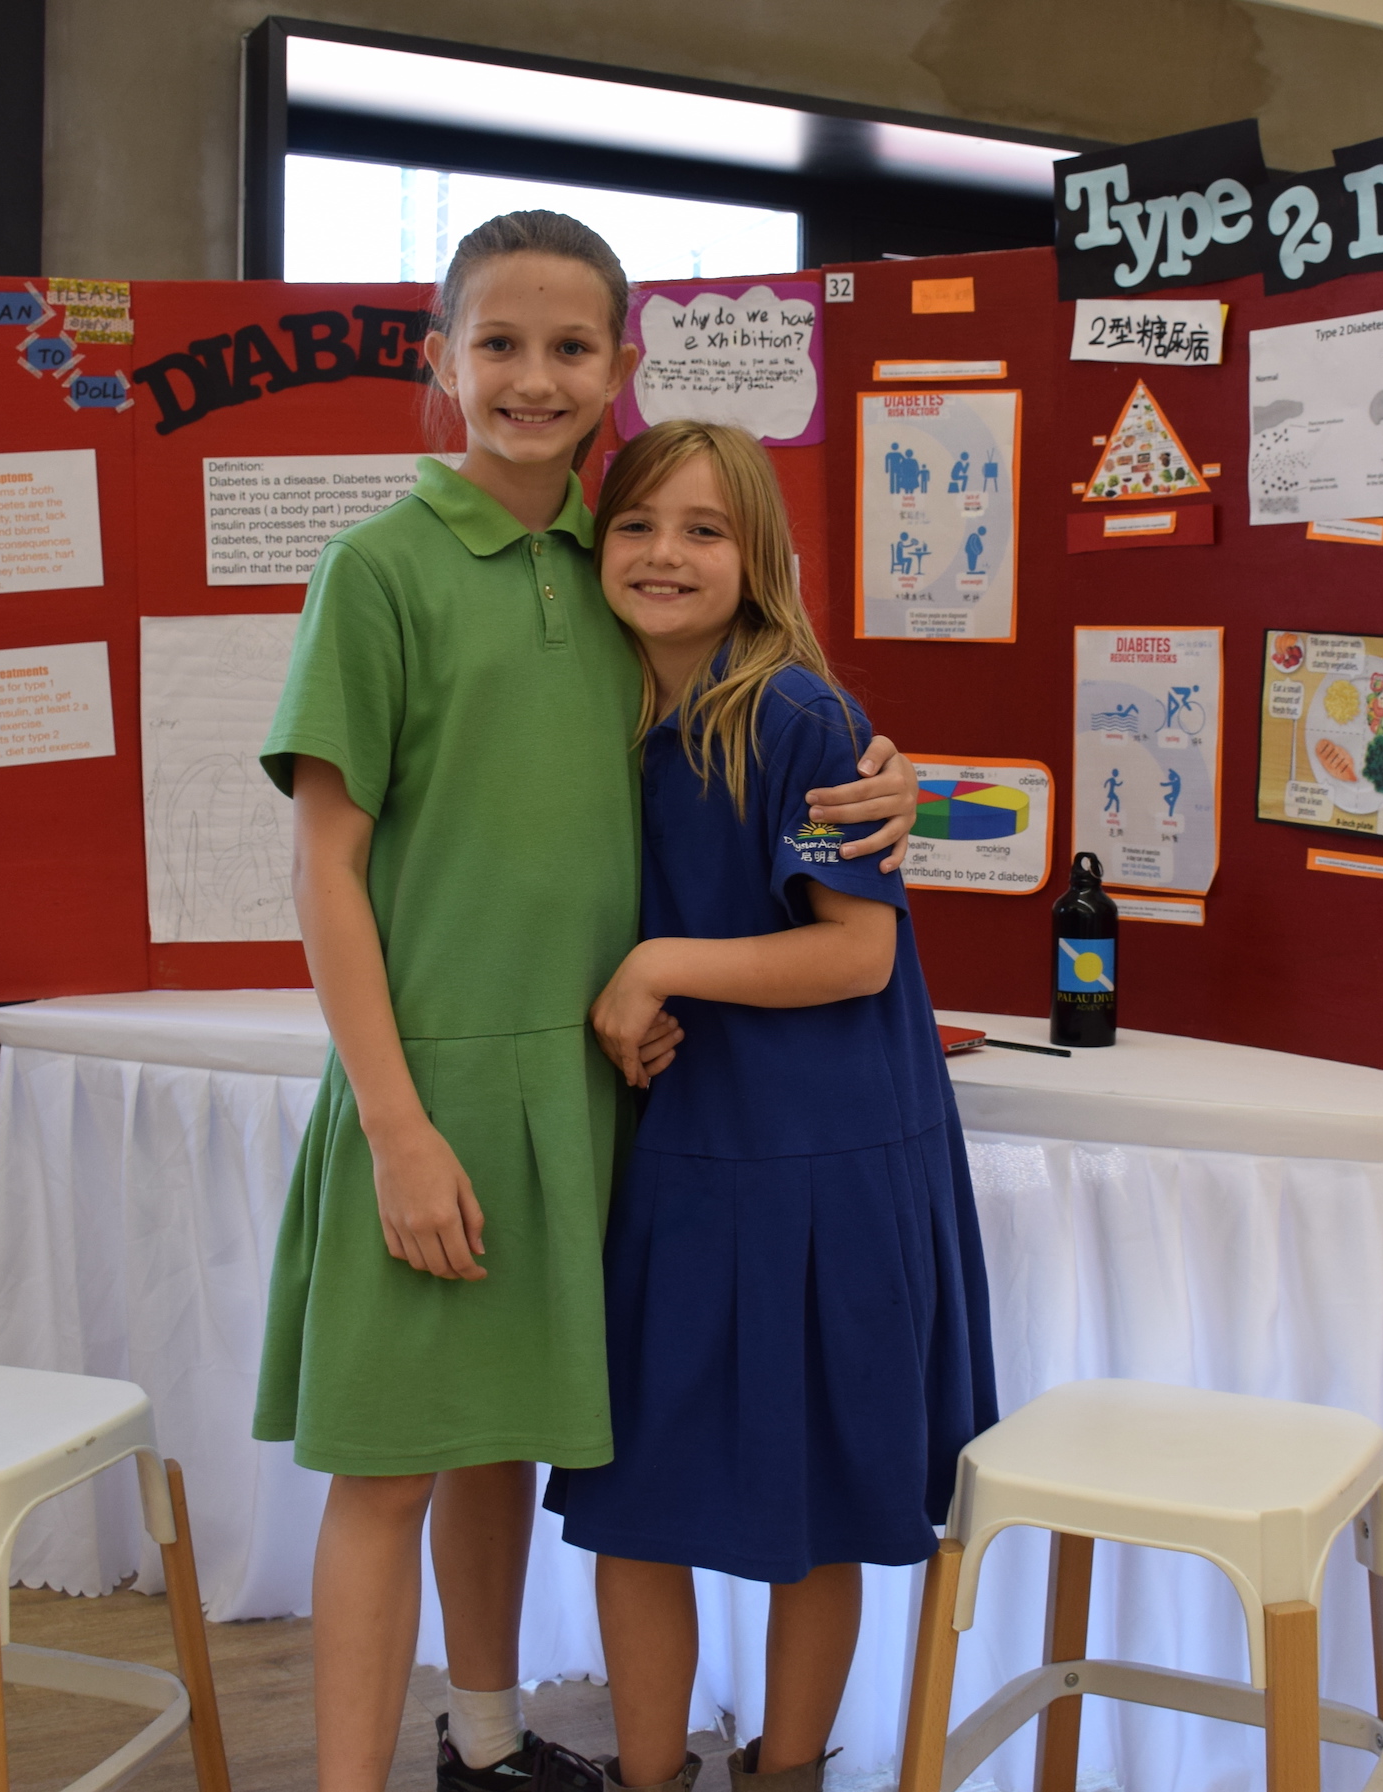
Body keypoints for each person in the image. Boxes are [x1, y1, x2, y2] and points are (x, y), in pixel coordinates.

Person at [254, 214, 923, 1792]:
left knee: (504, 1434)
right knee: (391, 1463)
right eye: (498, 344)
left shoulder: (616, 571)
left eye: (569, 349)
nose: (533, 378)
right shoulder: (379, 570)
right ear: (442, 360)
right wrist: (397, 1128)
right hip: (434, 1089)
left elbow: (762, 706)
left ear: (621, 369)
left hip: (606, 1092)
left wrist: (898, 778)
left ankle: (486, 1745)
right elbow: (325, 868)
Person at [547, 419, 998, 1792]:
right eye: (637, 525)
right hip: (687, 1151)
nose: (666, 554)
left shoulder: (802, 719)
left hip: (823, 1159)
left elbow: (854, 953)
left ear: (761, 558)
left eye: (706, 529)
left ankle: (788, 1772)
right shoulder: (594, 713)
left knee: (814, 1506)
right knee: (637, 1502)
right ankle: (649, 1776)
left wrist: (656, 967)